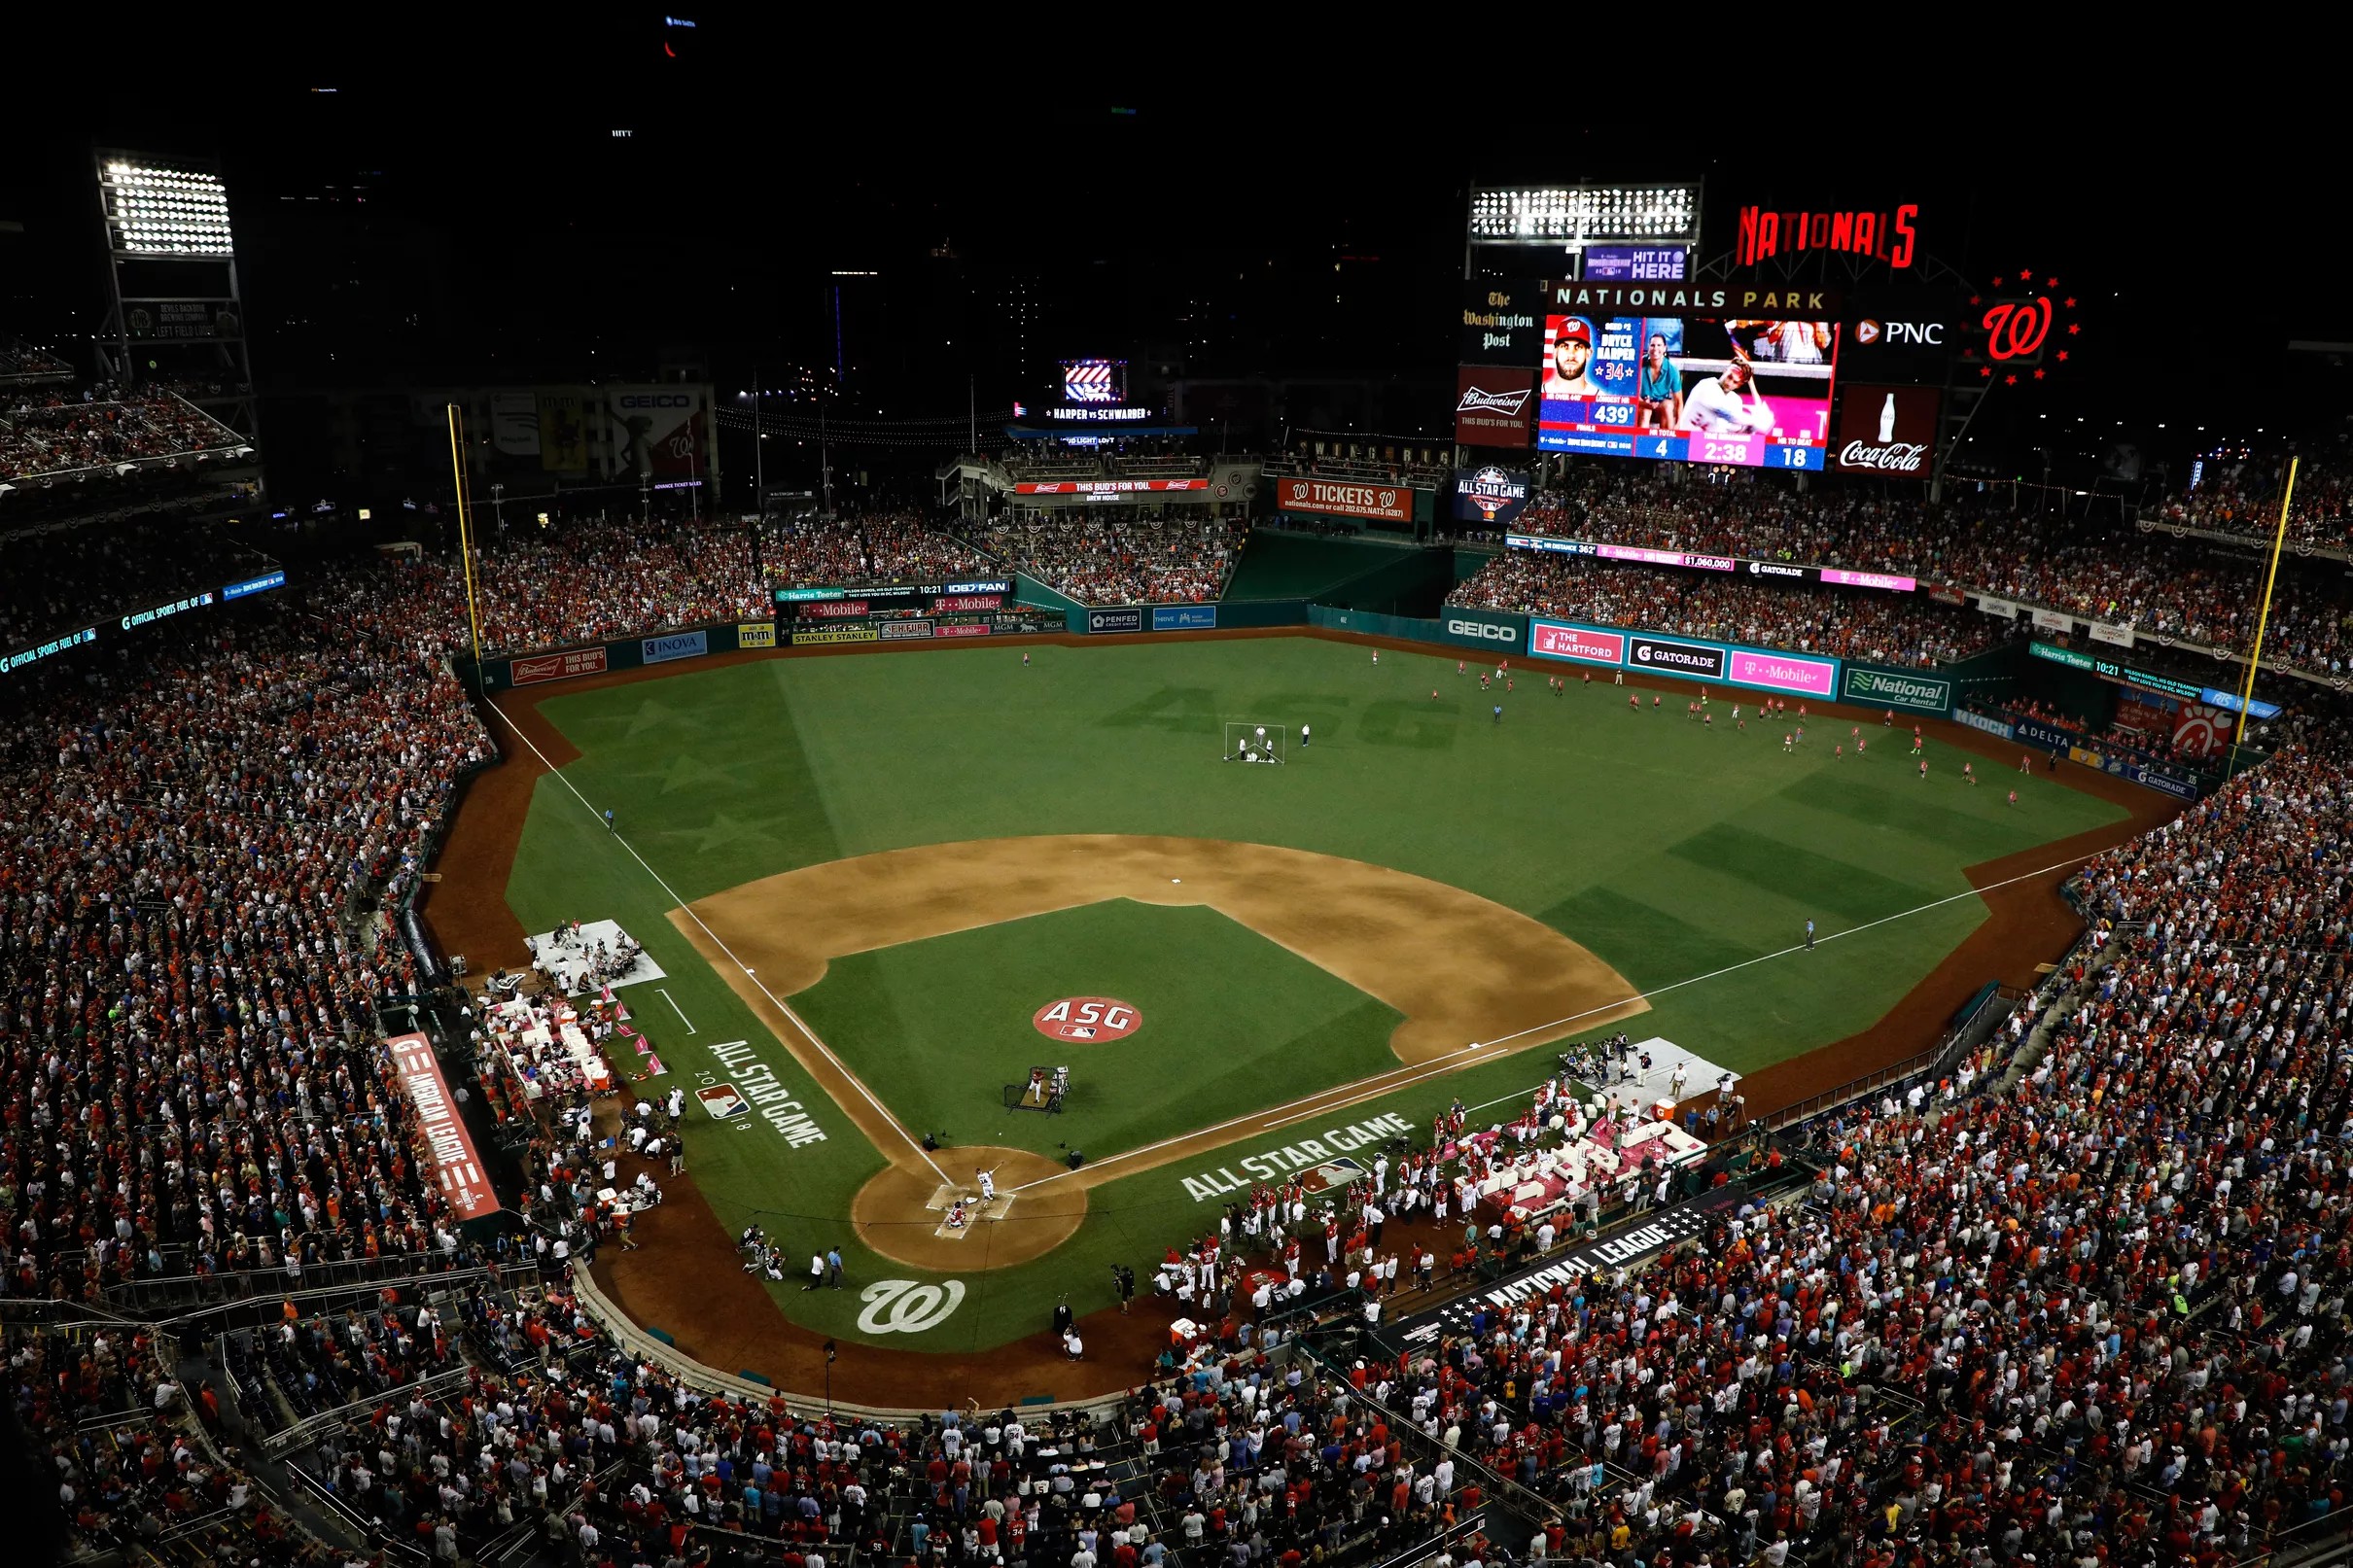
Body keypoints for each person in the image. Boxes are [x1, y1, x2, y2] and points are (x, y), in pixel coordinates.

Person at [1678, 352, 1774, 435]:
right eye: (1729, 377)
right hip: (1688, 441)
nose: (1729, 383)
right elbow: (1728, 415)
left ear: (1739, 385)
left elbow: (1732, 427)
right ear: (1725, 371)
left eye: (1735, 382)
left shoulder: (1735, 400)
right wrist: (1756, 420)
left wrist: (1752, 428)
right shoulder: (1706, 385)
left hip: (1710, 446)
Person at [1543, 317, 1602, 400]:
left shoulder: (1602, 399)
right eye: (1565, 346)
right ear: (1555, 352)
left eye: (1578, 347)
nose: (1571, 355)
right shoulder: (1540, 393)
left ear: (1588, 354)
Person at [1635, 331, 1683, 429]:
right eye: (1652, 345)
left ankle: (1668, 440)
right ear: (1648, 348)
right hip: (1643, 405)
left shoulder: (1672, 370)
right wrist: (1646, 404)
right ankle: (1641, 442)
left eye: (1659, 345)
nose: (1655, 348)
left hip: (1660, 406)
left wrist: (1678, 424)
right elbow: (1630, 394)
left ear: (1665, 348)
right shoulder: (1638, 364)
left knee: (1668, 406)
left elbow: (1679, 401)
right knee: (1645, 411)